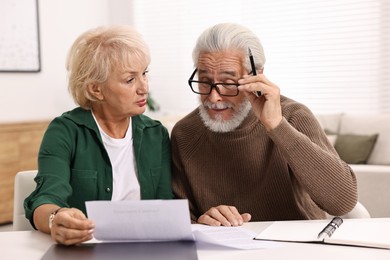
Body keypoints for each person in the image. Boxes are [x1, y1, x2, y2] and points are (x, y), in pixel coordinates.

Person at [171, 23, 358, 227]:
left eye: (228, 83)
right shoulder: (185, 133)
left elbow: (343, 203)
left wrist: (276, 126)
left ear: (256, 75)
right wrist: (202, 221)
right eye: (205, 81)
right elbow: (178, 221)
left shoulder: (293, 116)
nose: (214, 97)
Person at [24, 25, 173, 245]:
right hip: (85, 249)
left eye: (144, 73)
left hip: (145, 248)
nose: (144, 88)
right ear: (96, 90)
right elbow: (46, 198)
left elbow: (165, 204)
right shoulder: (65, 131)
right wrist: (56, 219)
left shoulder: (156, 134)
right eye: (130, 80)